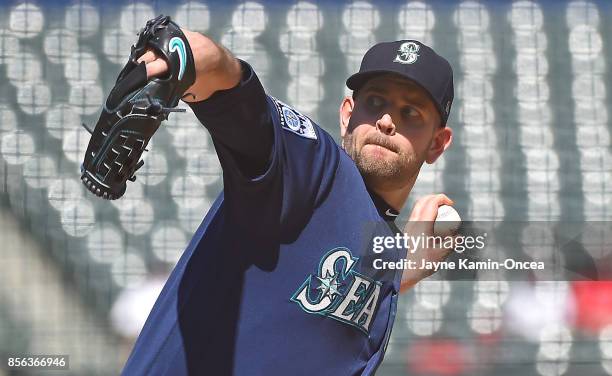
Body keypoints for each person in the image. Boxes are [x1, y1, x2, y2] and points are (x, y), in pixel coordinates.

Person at [122, 26, 454, 375]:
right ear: (346, 115)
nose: (386, 121)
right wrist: (197, 56)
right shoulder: (315, 168)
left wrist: (400, 268)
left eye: (411, 113)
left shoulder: (380, 245)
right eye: (375, 102)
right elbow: (241, 101)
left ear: (437, 143)